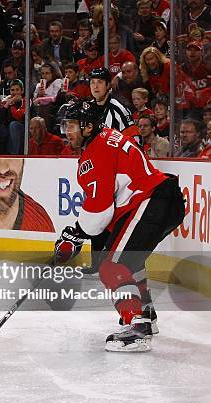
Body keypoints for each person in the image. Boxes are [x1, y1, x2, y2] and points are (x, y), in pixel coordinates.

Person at [56, 100, 185, 352]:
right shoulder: (107, 138)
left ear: (88, 126)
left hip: (151, 201)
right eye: (65, 125)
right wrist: (80, 233)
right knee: (131, 262)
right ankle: (146, 315)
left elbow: (99, 211)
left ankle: (137, 326)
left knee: (111, 267)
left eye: (71, 125)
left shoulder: (94, 154)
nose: (67, 131)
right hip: (166, 200)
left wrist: (75, 234)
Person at [88, 67, 141, 143]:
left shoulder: (119, 110)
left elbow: (135, 140)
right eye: (92, 82)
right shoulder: (87, 109)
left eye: (100, 82)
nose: (95, 86)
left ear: (108, 85)